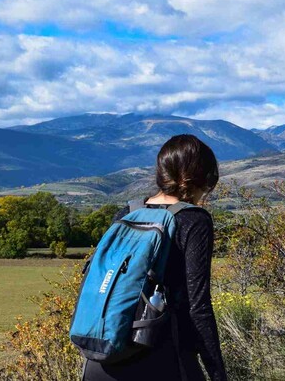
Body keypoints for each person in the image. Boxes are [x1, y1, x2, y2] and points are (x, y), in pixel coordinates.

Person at [84, 134, 228, 381]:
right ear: (202, 177)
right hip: (162, 358)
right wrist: (217, 373)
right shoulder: (194, 220)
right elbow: (199, 307)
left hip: (101, 358)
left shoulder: (127, 213)